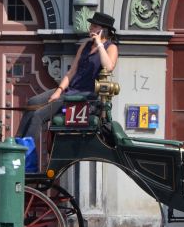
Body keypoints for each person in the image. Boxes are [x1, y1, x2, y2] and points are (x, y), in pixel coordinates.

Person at [16, 11, 119, 146]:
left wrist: (100, 44)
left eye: (94, 26)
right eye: (91, 25)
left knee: (38, 115)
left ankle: (24, 151)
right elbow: (71, 72)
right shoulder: (86, 45)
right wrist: (59, 90)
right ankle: (16, 142)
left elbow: (109, 67)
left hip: (85, 96)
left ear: (103, 30)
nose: (90, 28)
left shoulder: (111, 47)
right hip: (69, 90)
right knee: (32, 102)